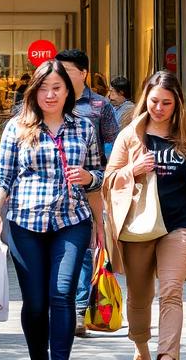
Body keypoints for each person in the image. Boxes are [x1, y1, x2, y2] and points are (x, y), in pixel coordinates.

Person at [0, 60, 104, 360]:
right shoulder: (17, 126)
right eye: (43, 88)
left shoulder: (84, 127)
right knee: (36, 302)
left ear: (68, 92)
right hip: (25, 224)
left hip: (72, 220)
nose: (50, 95)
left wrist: (90, 180)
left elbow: (98, 175)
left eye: (57, 88)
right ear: (34, 91)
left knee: (62, 294)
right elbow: (2, 175)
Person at [104, 70, 186, 360]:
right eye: (154, 101)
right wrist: (133, 169)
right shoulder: (130, 136)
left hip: (180, 225)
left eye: (166, 103)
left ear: (178, 103)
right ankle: (141, 346)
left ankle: (168, 355)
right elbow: (108, 181)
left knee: (171, 291)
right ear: (145, 100)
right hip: (138, 225)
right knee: (140, 296)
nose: (159, 108)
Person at [52, 48, 118, 338]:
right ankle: (67, 307)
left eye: (67, 70)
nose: (61, 75)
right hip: (54, 192)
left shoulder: (100, 106)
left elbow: (112, 148)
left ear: (83, 73)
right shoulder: (51, 101)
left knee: (85, 248)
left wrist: (99, 178)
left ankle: (79, 310)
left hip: (90, 188)